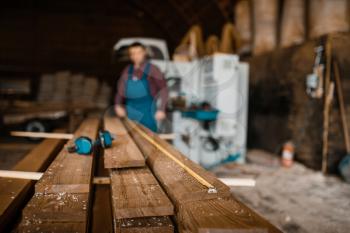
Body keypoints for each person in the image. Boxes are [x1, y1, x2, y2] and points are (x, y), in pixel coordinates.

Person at [114, 42, 168, 132]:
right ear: (130, 56)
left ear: (144, 52)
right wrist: (117, 105)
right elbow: (120, 91)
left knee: (148, 139)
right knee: (132, 138)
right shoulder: (127, 70)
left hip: (148, 111)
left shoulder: (153, 69)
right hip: (131, 110)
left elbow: (164, 90)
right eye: (133, 53)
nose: (136, 56)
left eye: (139, 52)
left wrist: (162, 109)